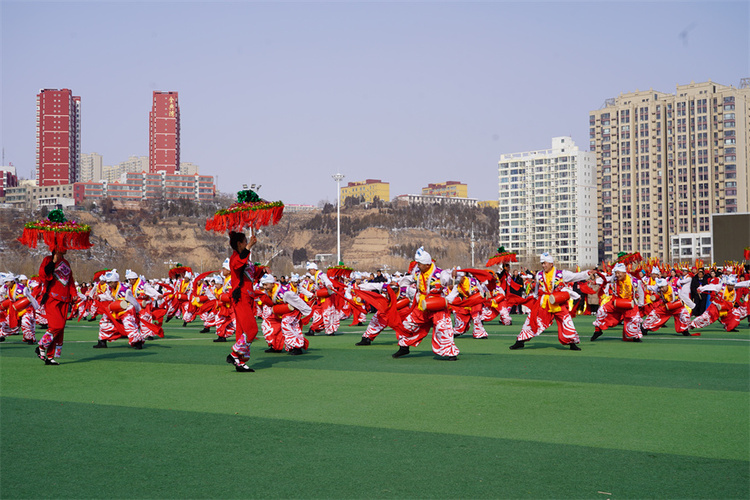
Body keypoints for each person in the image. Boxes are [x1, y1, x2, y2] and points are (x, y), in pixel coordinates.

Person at [509, 252, 590, 351]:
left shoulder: (561, 274)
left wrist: (587, 273)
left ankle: (572, 343)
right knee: (531, 319)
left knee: (567, 321)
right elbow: (537, 288)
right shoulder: (539, 275)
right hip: (544, 303)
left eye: (545, 263)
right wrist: (534, 298)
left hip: (558, 302)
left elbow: (575, 276)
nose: (543, 265)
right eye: (542, 263)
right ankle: (520, 341)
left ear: (551, 263)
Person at [391, 247, 460, 360]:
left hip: (437, 305)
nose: (418, 265)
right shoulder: (418, 273)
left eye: (420, 264)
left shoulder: (440, 274)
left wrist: (454, 278)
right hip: (422, 305)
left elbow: (451, 282)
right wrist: (400, 282)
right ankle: (404, 348)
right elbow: (410, 279)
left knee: (443, 328)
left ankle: (451, 353)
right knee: (406, 324)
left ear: (427, 264)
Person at [35, 248, 78, 365]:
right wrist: (53, 262)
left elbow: (70, 280)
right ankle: (41, 346)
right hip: (52, 298)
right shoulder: (48, 259)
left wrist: (74, 293)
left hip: (64, 299)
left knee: (59, 329)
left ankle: (49, 356)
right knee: (56, 325)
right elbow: (43, 275)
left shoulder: (66, 263)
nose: (66, 248)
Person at [226, 231, 258, 372]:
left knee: (242, 331)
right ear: (240, 244)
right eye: (245, 241)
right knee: (251, 330)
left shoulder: (245, 259)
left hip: (248, 296)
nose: (247, 243)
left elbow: (251, 274)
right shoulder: (235, 258)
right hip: (241, 297)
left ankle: (240, 362)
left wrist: (262, 271)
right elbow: (239, 264)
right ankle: (234, 354)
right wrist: (249, 246)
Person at [591, 263, 645, 342]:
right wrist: (597, 273)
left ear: (624, 273)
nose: (617, 275)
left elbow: (641, 292)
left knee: (634, 319)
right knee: (601, 310)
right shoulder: (614, 278)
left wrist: (640, 304)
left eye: (619, 273)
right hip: (616, 302)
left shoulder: (634, 281)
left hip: (630, 304)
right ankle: (598, 330)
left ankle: (635, 337)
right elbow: (605, 279)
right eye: (616, 273)